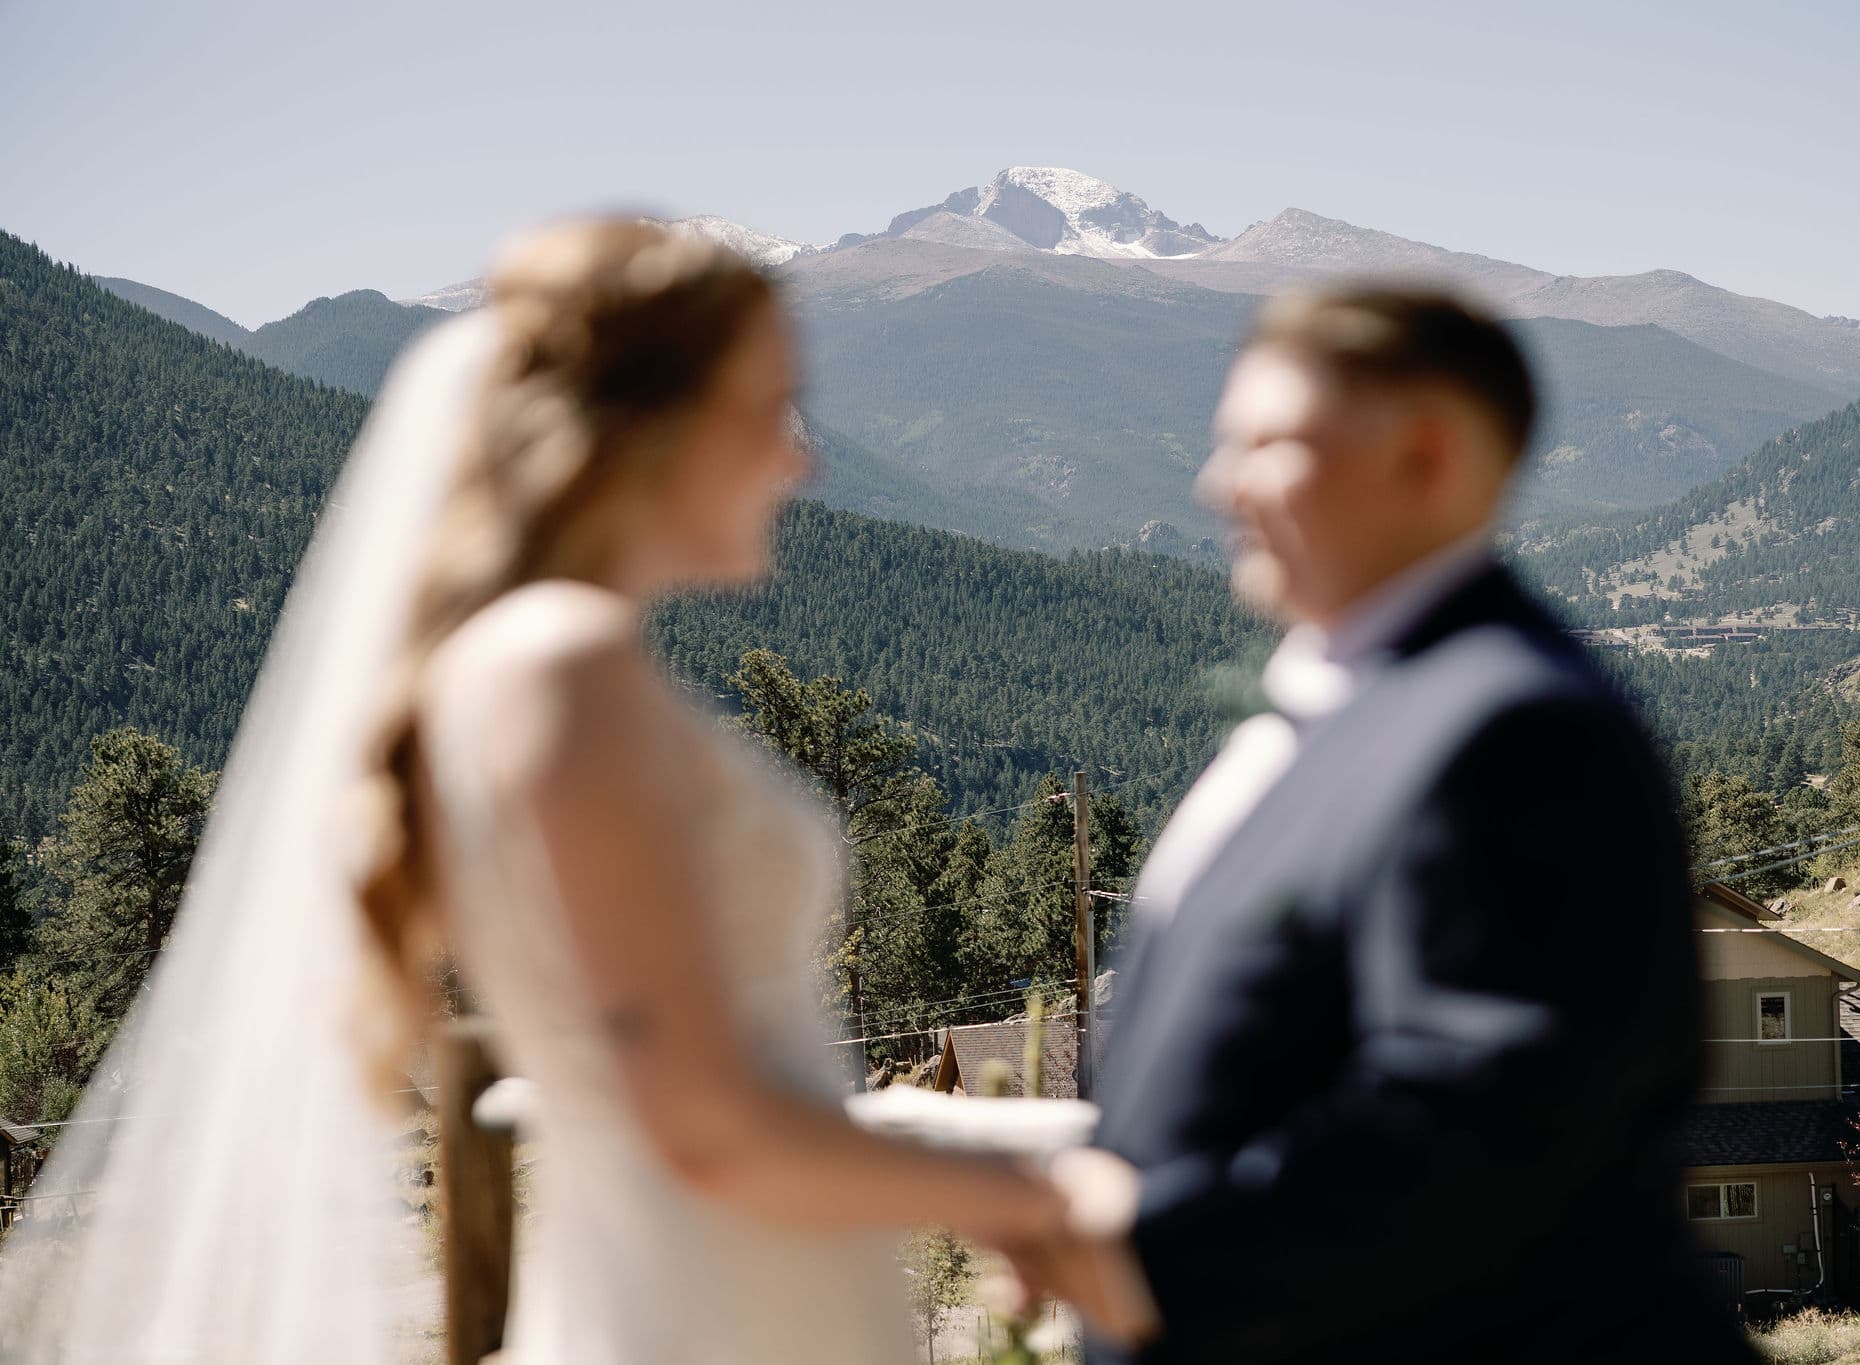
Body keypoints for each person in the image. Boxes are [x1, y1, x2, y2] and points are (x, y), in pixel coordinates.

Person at [0, 219, 1083, 1364]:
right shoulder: (559, 671)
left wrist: (916, 1131)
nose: (800, 458)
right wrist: (1024, 1185)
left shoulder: (555, 664)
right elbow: (699, 1124)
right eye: (768, 408)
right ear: (642, 423)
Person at [1037, 288, 1760, 1362]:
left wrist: (1141, 1247)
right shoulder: (1356, 709)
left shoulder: (1513, 732)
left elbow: (1480, 1132)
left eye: (1264, 443)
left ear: (1424, 456)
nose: (1214, 484)